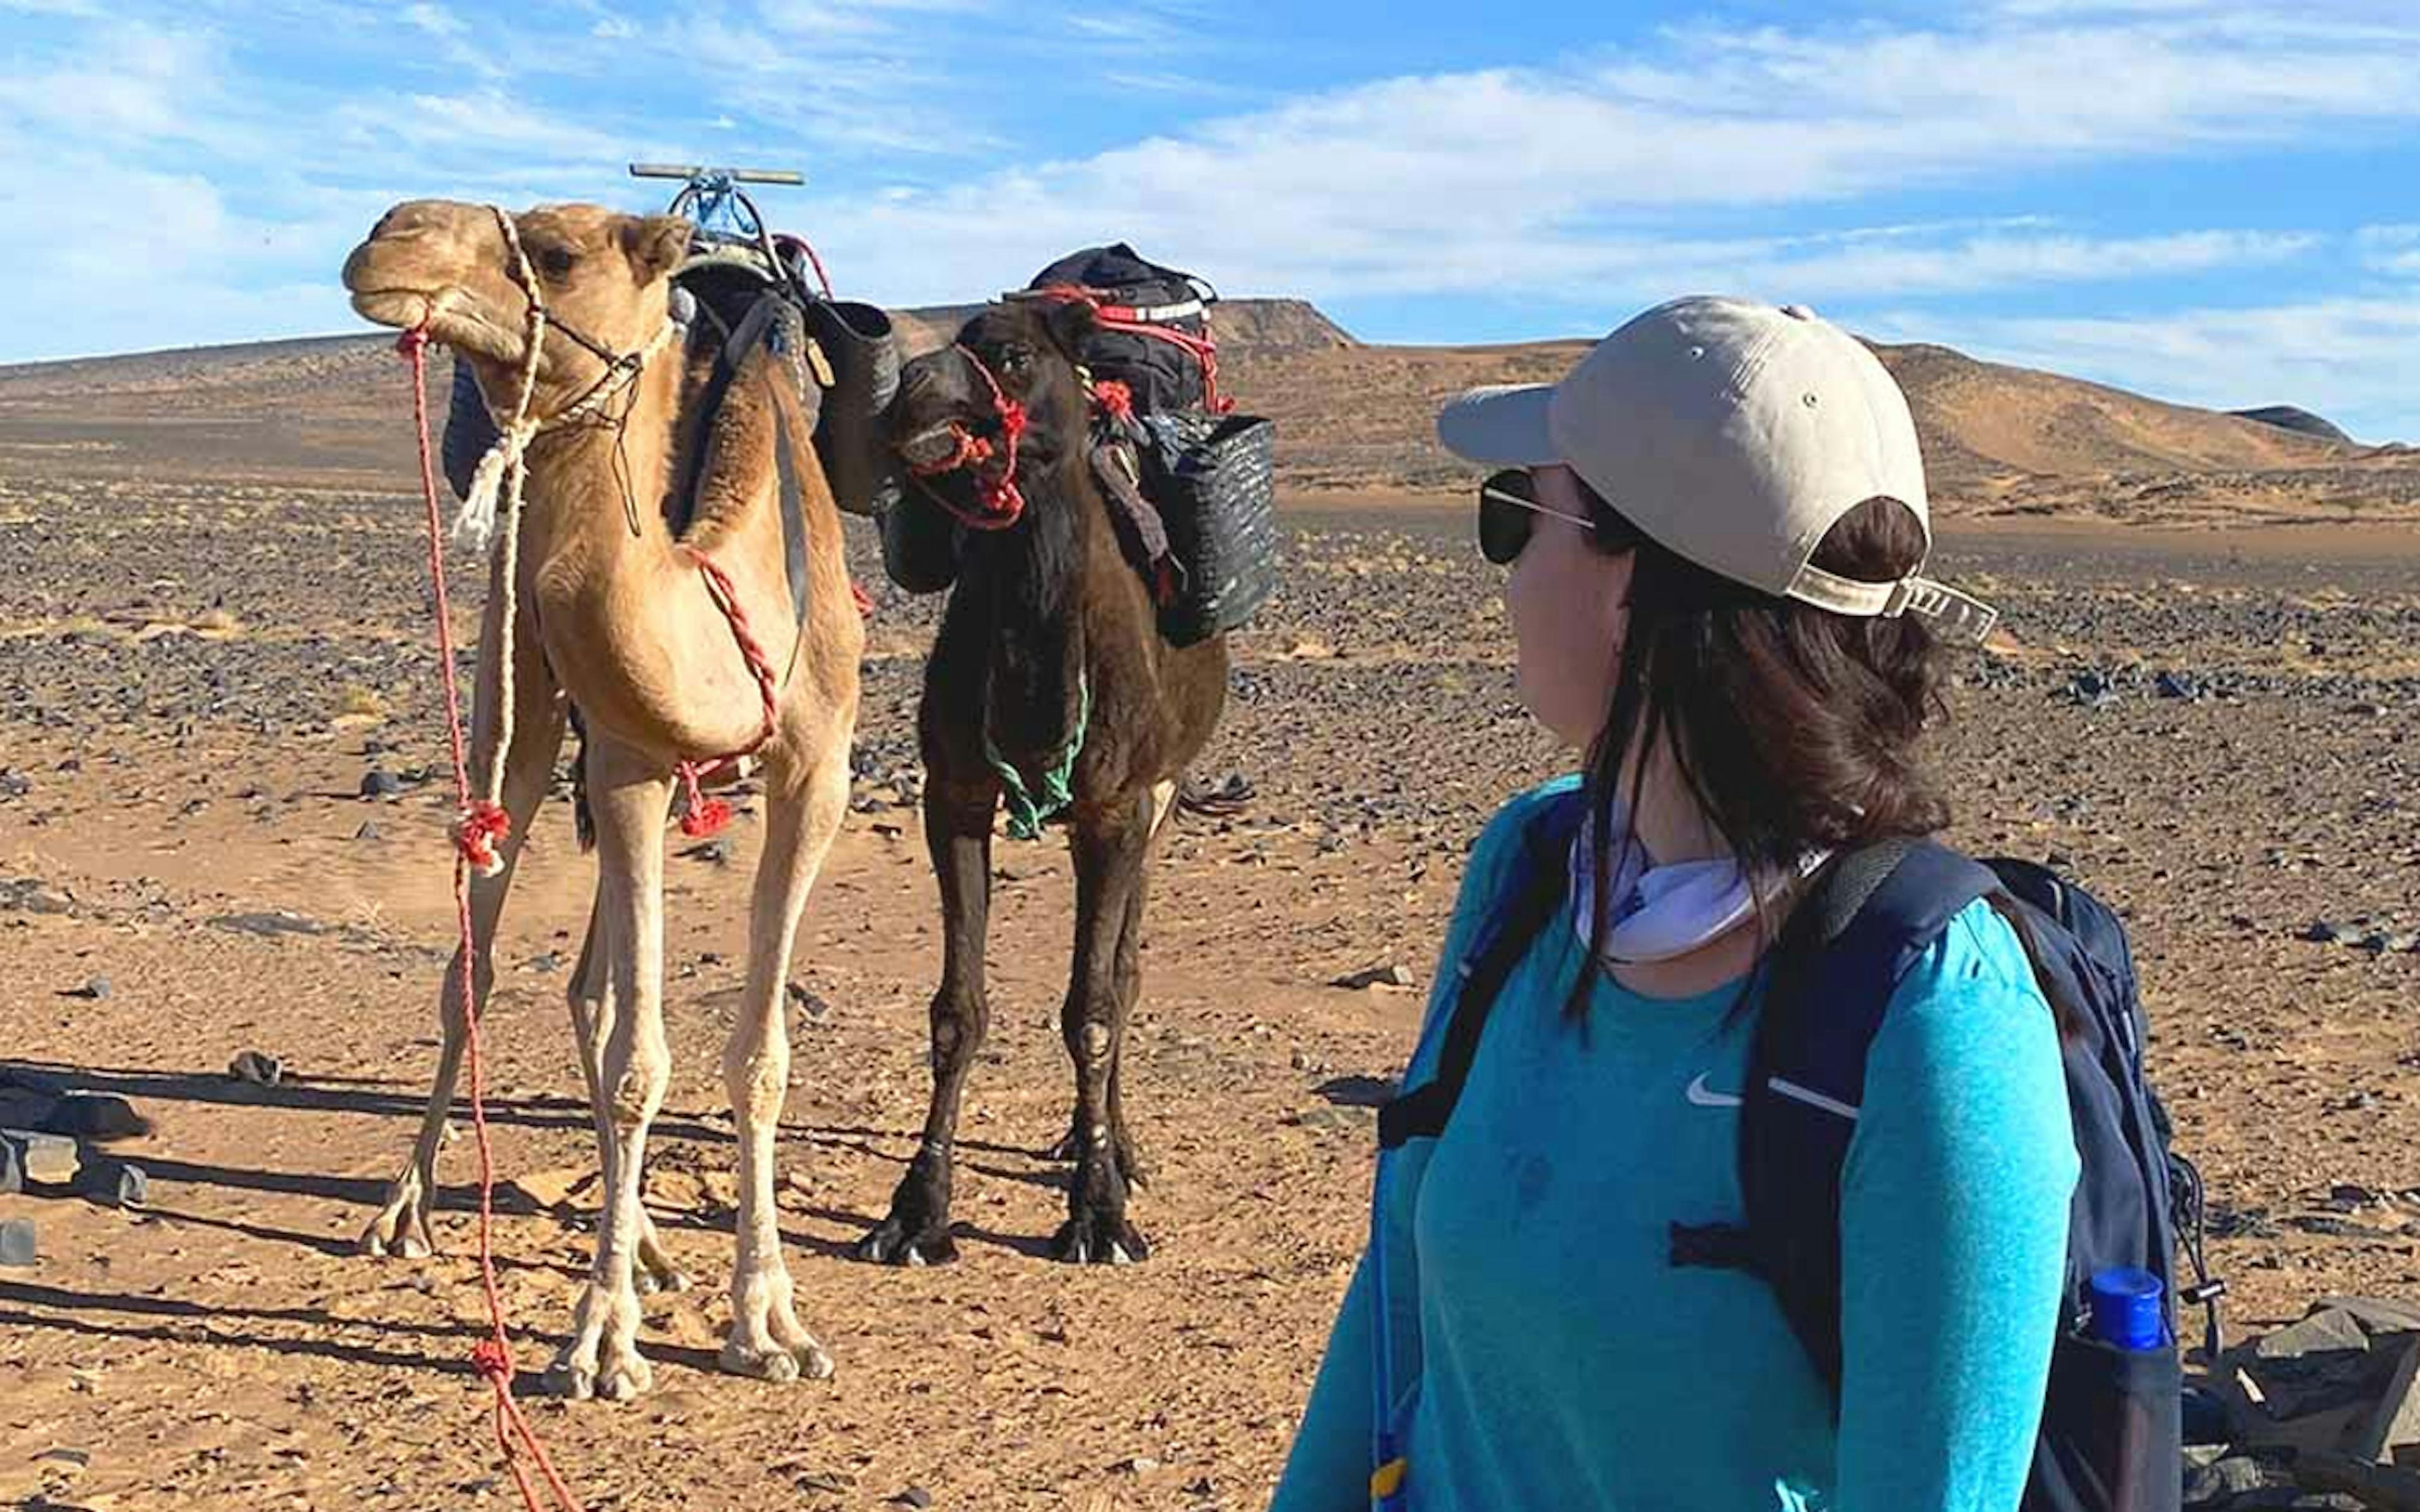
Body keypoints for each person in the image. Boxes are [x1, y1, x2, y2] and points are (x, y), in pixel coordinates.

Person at [1268, 296, 2077, 1511]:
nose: (1500, 574)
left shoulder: (1935, 1015)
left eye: (1515, 517)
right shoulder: (1536, 869)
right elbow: (1399, 1296)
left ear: (1634, 583)